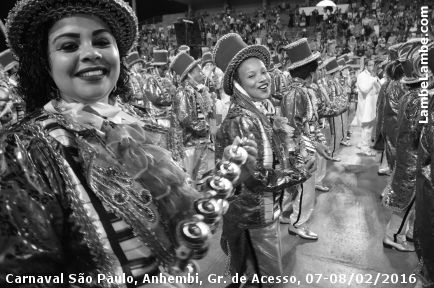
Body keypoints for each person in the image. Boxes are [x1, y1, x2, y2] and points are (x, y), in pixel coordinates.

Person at [0, 1, 253, 286]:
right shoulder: (24, 149)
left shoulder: (138, 124)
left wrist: (225, 182)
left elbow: (184, 231)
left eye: (102, 41)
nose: (91, 53)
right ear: (45, 63)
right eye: (69, 46)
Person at [213, 33, 307, 287]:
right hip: (252, 214)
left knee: (257, 275)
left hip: (263, 209)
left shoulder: (257, 111)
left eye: (263, 72)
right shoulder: (241, 119)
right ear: (238, 84)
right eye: (251, 75)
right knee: (269, 277)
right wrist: (296, 174)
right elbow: (256, 176)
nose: (263, 79)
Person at [382, 40, 427, 252]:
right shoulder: (418, 99)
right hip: (412, 157)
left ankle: (404, 231)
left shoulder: (412, 96)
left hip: (409, 155)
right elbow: (419, 133)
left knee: (410, 200)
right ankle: (392, 235)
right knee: (407, 200)